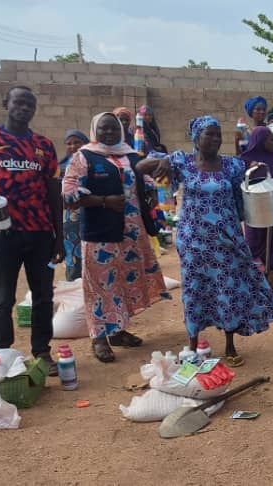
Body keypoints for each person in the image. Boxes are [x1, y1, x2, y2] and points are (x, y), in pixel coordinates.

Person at [137, 115, 273, 367]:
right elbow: (140, 168)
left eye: (218, 134)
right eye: (210, 134)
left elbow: (244, 201)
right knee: (194, 291)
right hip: (193, 242)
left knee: (227, 289)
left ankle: (229, 345)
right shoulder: (181, 161)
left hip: (226, 240)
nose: (215, 139)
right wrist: (162, 159)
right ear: (196, 138)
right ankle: (192, 345)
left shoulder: (232, 166)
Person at [0, 86, 63, 375]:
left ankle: (42, 352)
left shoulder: (43, 145)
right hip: (3, 232)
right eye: (19, 102)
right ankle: (4, 354)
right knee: (2, 296)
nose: (24, 108)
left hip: (41, 232)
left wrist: (59, 236)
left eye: (30, 104)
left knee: (43, 295)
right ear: (6, 103)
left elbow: (54, 191)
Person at [61, 113, 167, 363]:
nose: (109, 133)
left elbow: (150, 182)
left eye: (113, 128)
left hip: (132, 234)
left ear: (121, 130)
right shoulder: (84, 156)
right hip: (101, 234)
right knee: (98, 285)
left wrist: (154, 184)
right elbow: (67, 194)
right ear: (95, 131)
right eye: (104, 128)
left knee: (122, 282)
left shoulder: (130, 155)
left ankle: (117, 331)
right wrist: (103, 201)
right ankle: (99, 338)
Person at [241, 126, 273, 290]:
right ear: (260, 142)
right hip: (256, 211)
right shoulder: (245, 160)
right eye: (270, 140)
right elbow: (242, 184)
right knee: (256, 242)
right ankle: (256, 281)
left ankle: (272, 276)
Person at [59, 129, 89, 282]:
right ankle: (73, 283)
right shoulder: (60, 166)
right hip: (68, 218)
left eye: (77, 142)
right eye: (69, 143)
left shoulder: (92, 163)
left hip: (90, 213)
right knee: (71, 252)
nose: (73, 146)